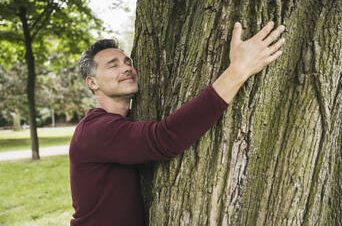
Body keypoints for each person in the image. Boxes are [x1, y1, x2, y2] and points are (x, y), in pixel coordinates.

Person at [69, 21, 285, 225]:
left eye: (128, 62)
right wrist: (238, 70)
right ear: (92, 82)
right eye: (112, 66)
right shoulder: (95, 130)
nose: (126, 68)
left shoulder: (123, 122)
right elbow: (164, 138)